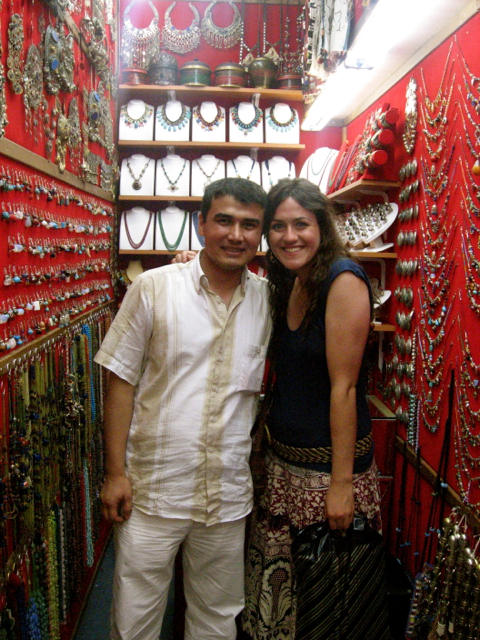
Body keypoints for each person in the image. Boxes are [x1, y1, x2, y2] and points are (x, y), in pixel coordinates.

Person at [94, 177, 272, 640]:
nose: (236, 235)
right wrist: (115, 473)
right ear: (200, 224)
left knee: (216, 619)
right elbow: (120, 381)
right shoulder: (154, 288)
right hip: (154, 491)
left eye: (250, 225)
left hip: (226, 496)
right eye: (224, 221)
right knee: (134, 621)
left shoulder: (268, 301)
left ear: (261, 233)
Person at [241, 178, 386, 640]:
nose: (290, 236)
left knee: (328, 603)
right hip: (285, 470)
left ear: (321, 226)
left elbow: (344, 389)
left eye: (301, 224)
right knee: (284, 602)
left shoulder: (342, 280)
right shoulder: (290, 281)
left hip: (327, 474)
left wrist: (341, 486)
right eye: (278, 226)